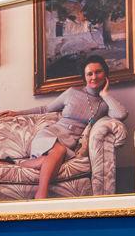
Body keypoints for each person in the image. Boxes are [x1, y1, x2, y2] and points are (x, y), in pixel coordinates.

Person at [24, 59, 124, 200]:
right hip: (51, 134)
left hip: (69, 144)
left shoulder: (104, 104)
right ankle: (41, 194)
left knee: (52, 159)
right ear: (84, 77)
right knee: (59, 150)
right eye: (89, 74)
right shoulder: (72, 93)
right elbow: (45, 109)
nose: (94, 77)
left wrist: (105, 94)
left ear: (105, 74)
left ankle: (25, 163)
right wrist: (15, 113)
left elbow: (121, 114)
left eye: (98, 72)